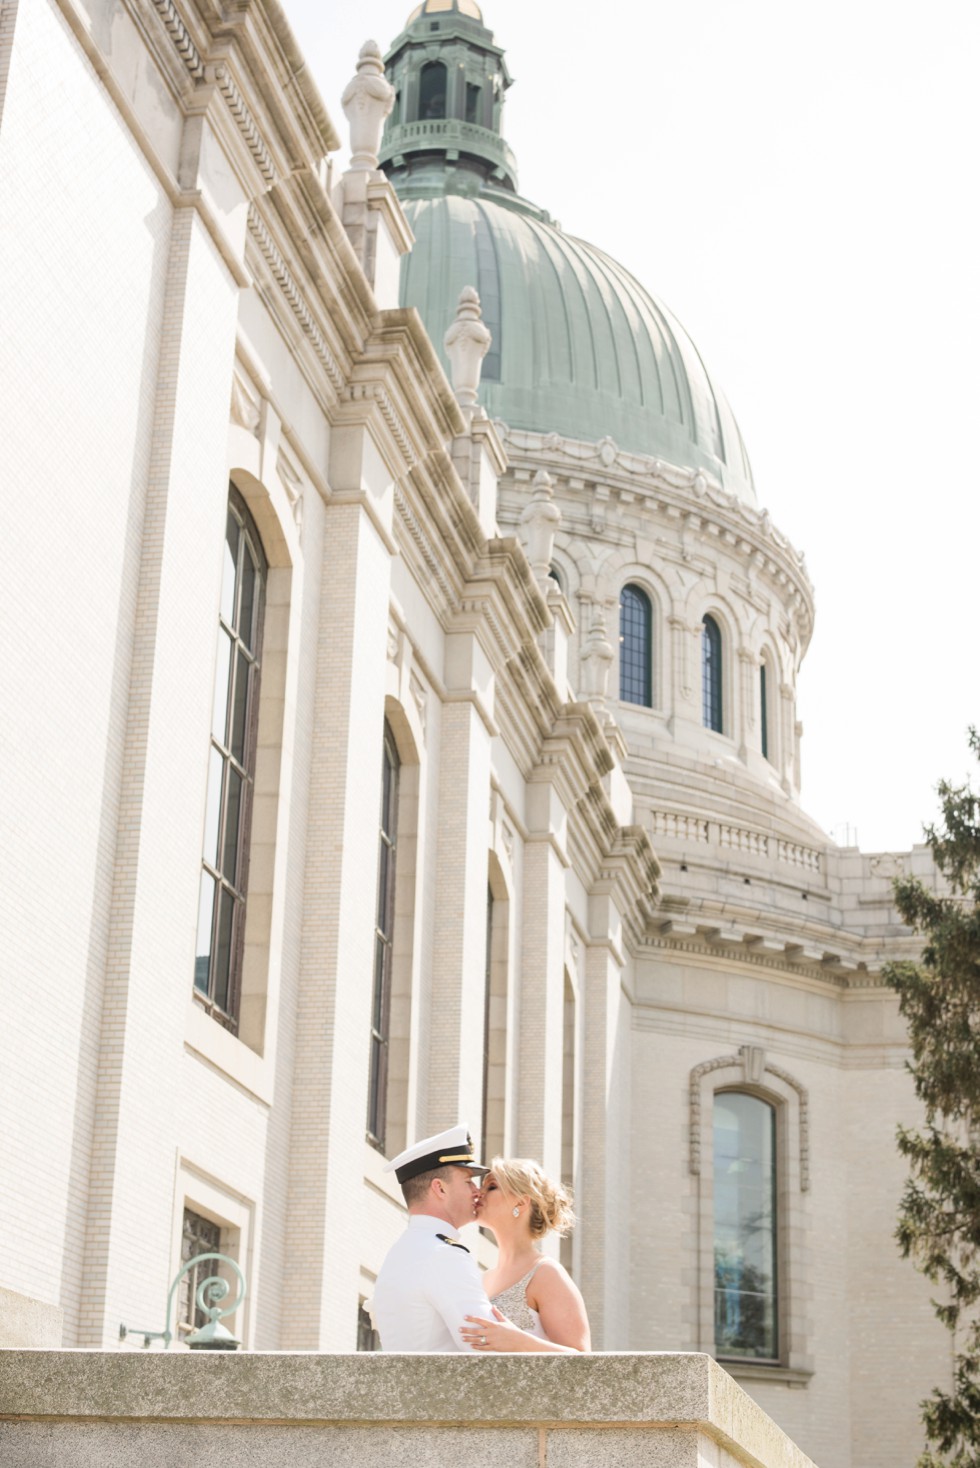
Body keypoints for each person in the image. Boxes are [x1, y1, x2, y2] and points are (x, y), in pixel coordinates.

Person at [371, 1124, 495, 1351]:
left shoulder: (405, 1251)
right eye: (468, 1182)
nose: (476, 1192)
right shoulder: (443, 1255)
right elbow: (486, 1347)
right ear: (440, 1189)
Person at [459, 1156, 591, 1353]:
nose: (479, 1193)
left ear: (520, 1203)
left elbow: (584, 1362)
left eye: (492, 1187)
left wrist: (519, 1342)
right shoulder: (482, 1278)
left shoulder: (546, 1273)